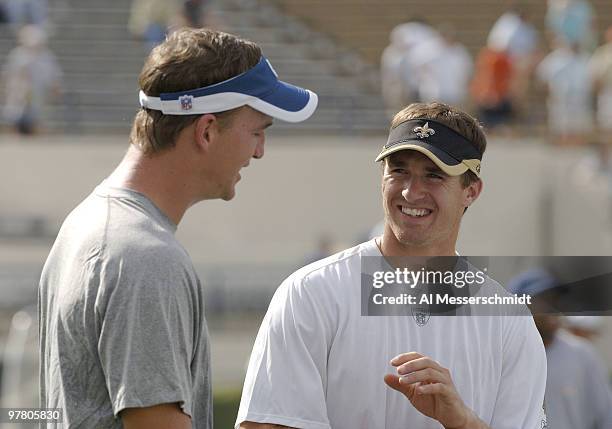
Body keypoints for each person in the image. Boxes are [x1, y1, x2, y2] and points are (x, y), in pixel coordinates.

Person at [38, 28, 318, 428]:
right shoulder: (143, 257)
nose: (259, 151)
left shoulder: (87, 223)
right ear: (206, 131)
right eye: (257, 131)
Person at [236, 102, 547, 429]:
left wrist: (461, 421)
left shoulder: (507, 323)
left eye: (434, 175)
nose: (412, 192)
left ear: (471, 191)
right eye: (399, 170)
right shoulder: (311, 293)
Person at [508, 270, 612, 429]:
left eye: (556, 299)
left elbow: (606, 415)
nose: (553, 307)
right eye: (543, 300)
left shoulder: (581, 354)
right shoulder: (502, 356)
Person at [2, 24, 61, 135]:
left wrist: (55, 89)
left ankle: (36, 139)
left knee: (37, 118)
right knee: (12, 116)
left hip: (38, 92)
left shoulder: (47, 56)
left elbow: (53, 76)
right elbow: (8, 74)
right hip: (18, 92)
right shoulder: (17, 55)